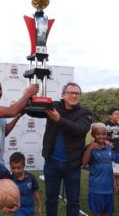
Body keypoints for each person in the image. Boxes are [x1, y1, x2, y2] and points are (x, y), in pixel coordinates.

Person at [42, 82, 92, 216]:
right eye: (71, 93)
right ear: (63, 95)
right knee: (51, 200)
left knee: (73, 201)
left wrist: (59, 120)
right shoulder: (54, 106)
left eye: (77, 93)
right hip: (51, 162)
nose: (74, 95)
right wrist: (29, 96)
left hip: (72, 164)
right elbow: (34, 110)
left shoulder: (85, 113)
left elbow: (80, 130)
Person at [82, 123, 114, 216]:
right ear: (93, 135)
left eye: (104, 134)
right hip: (96, 188)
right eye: (98, 134)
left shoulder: (108, 148)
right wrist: (89, 149)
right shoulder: (90, 148)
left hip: (108, 188)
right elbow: (84, 163)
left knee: (105, 212)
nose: (101, 136)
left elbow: (110, 167)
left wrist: (114, 183)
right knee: (95, 212)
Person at [9, 151, 42, 216]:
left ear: (23, 166)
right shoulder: (10, 180)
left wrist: (39, 206)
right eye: (13, 168)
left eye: (18, 168)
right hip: (18, 209)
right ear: (10, 166)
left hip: (30, 209)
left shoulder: (30, 177)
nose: (16, 170)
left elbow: (35, 191)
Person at [104, 108, 119, 194]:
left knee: (116, 171)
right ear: (110, 116)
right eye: (116, 114)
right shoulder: (105, 125)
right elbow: (98, 136)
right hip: (107, 152)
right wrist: (107, 142)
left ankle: (115, 188)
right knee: (108, 170)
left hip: (117, 152)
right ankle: (109, 188)